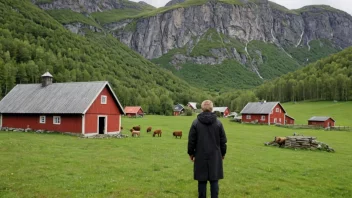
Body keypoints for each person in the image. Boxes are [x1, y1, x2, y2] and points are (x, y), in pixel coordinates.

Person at [187, 100, 227, 198]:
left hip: (200, 155)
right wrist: (222, 154)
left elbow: (191, 141)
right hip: (215, 156)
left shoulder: (195, 123)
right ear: (212, 108)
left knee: (202, 181)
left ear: (202, 109)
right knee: (214, 180)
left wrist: (191, 153)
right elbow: (223, 141)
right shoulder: (218, 123)